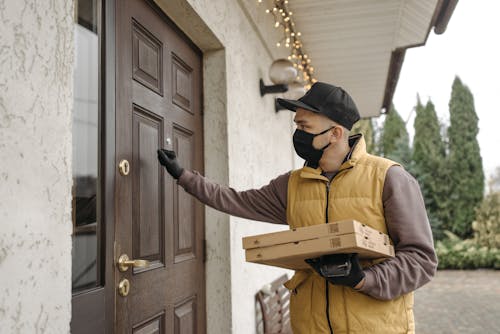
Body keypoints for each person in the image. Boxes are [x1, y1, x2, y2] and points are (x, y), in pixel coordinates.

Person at [157, 82, 437, 334]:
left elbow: (421, 259)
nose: (297, 134)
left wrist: (363, 279)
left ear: (336, 133)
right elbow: (235, 200)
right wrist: (184, 176)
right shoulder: (291, 185)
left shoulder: (388, 177)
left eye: (305, 127)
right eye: (296, 126)